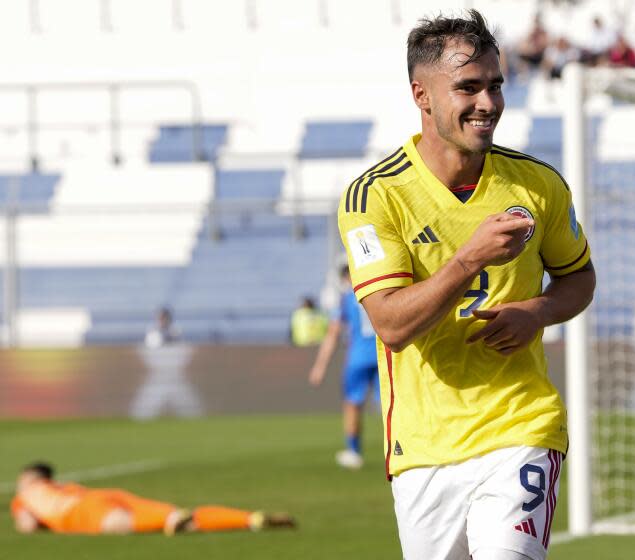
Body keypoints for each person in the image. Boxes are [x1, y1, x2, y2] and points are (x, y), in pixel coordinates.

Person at [337, 10, 595, 560]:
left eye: (495, 85)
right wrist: (469, 259)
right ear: (422, 95)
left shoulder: (538, 184)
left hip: (520, 427)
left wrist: (537, 313)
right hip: (424, 449)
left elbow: (579, 278)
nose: (488, 103)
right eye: (468, 87)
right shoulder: (374, 198)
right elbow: (391, 324)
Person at [11, 462, 295, 535]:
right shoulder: (63, 484)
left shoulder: (24, 496)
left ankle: (171, 519)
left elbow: (28, 525)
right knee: (181, 516)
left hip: (81, 512)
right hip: (106, 495)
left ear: (29, 476)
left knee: (156, 522)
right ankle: (249, 518)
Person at [308, 265, 380, 470]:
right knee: (388, 406)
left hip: (358, 356)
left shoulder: (348, 299)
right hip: (384, 354)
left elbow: (333, 333)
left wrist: (319, 367)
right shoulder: (378, 290)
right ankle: (397, 449)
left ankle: (354, 452)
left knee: (352, 403)